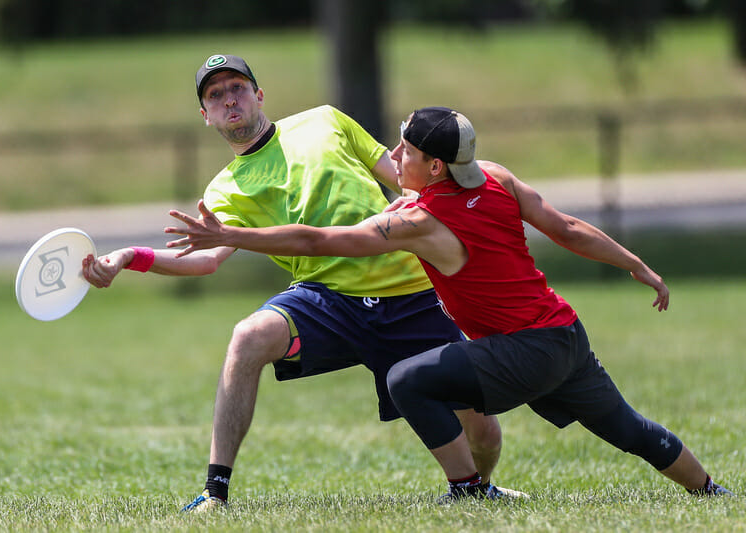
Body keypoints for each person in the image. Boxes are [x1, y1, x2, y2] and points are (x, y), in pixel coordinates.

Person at [165, 106, 732, 501]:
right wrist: (636, 265)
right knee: (630, 430)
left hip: (522, 350)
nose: (394, 154)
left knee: (408, 381)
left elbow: (316, 240)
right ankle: (711, 491)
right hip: (564, 333)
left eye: (405, 150)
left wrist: (233, 237)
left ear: (435, 167)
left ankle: (467, 490)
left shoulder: (420, 221)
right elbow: (568, 227)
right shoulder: (495, 177)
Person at [83, 57, 519, 511]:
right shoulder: (224, 190)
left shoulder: (325, 120)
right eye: (215, 95)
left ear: (259, 94)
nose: (229, 98)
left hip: (408, 291)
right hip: (326, 299)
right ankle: (216, 492)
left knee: (483, 429)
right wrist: (131, 258)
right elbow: (207, 260)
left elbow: (406, 183)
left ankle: (476, 489)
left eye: (237, 87)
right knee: (247, 337)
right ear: (206, 115)